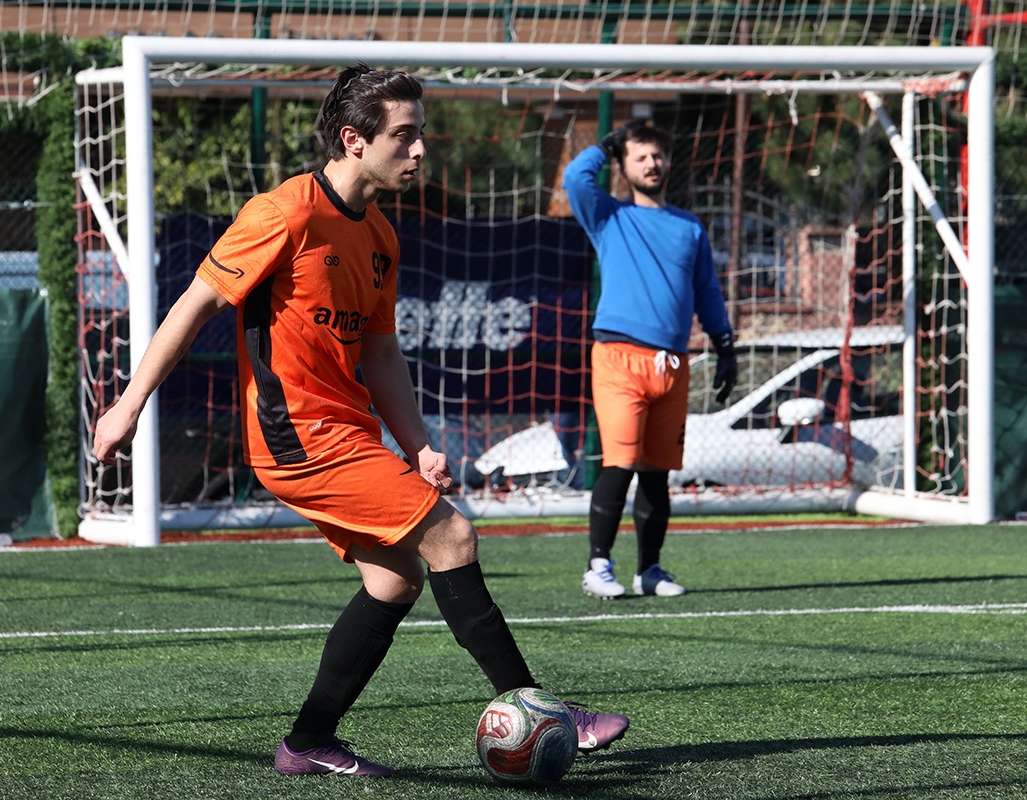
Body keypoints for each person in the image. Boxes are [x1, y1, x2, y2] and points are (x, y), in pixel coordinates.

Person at [93, 64, 630, 779]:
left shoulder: (380, 235)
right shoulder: (283, 213)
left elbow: (379, 353)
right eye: (404, 136)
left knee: (395, 580)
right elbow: (193, 305)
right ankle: (545, 711)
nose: (419, 150)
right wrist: (129, 404)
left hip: (347, 432)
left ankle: (308, 742)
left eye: (421, 134)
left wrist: (419, 446)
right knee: (453, 535)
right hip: (295, 435)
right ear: (353, 140)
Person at [562, 119, 737, 600]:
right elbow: (575, 178)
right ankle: (598, 567)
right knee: (619, 464)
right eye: (640, 156)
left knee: (657, 474)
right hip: (619, 359)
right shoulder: (608, 215)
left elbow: (708, 292)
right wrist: (606, 145)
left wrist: (725, 345)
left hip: (673, 365)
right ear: (624, 167)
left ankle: (650, 570)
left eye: (657, 155)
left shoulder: (689, 226)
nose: (651, 163)